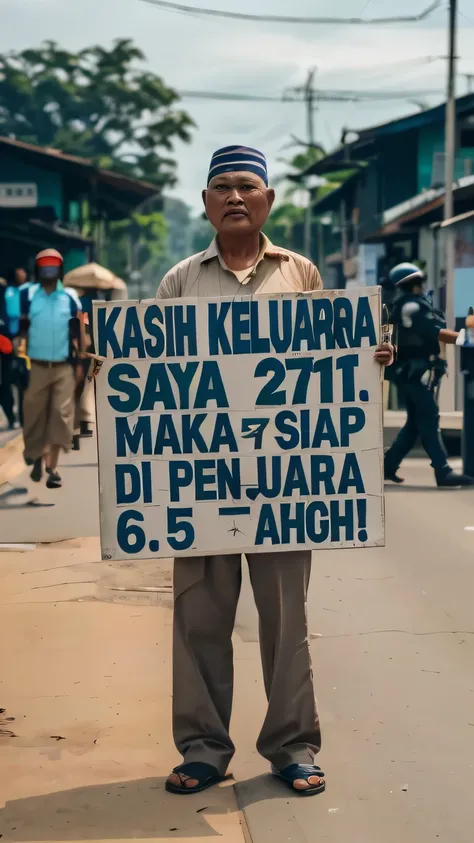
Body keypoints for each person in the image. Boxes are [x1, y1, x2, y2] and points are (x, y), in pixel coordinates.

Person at [156, 145, 393, 797]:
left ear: (268, 200)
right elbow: (151, 379)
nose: (235, 197)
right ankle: (204, 747)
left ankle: (292, 744)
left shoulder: (303, 274)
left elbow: (331, 365)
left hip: (283, 483)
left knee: (286, 620)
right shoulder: (178, 281)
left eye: (247, 186)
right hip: (200, 482)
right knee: (199, 619)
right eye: (222, 187)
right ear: (204, 203)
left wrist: (365, 358)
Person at [384, 262, 473, 487]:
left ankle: (387, 466)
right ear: (413, 284)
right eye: (419, 282)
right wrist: (467, 339)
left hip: (412, 372)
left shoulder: (410, 305)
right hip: (411, 374)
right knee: (429, 416)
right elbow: (435, 332)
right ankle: (442, 471)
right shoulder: (411, 307)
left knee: (415, 423)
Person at [21, 249, 83, 489]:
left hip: (63, 368)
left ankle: (52, 468)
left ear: (60, 269)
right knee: (34, 416)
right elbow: (21, 329)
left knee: (61, 415)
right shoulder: (27, 295)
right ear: (38, 269)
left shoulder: (69, 298)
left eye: (53, 266)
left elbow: (78, 333)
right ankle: (36, 456)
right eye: (44, 266)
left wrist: (80, 364)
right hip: (35, 366)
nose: (49, 270)